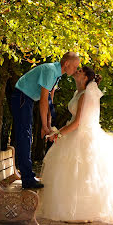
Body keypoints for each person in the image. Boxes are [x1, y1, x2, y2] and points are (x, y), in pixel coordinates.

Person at [38, 66, 113, 223]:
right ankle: (71, 210)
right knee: (71, 175)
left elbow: (77, 123)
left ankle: (81, 213)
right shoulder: (79, 93)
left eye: (80, 70)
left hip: (83, 136)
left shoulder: (85, 95)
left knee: (82, 175)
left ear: (86, 77)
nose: (76, 71)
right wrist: (59, 133)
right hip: (76, 134)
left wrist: (59, 134)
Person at [11, 52, 80, 189]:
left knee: (26, 135)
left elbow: (49, 101)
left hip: (27, 99)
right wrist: (44, 125)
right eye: (75, 66)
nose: (76, 70)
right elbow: (43, 100)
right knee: (25, 136)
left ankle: (27, 173)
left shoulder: (57, 74)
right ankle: (27, 178)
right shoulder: (50, 70)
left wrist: (48, 124)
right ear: (66, 64)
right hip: (21, 97)